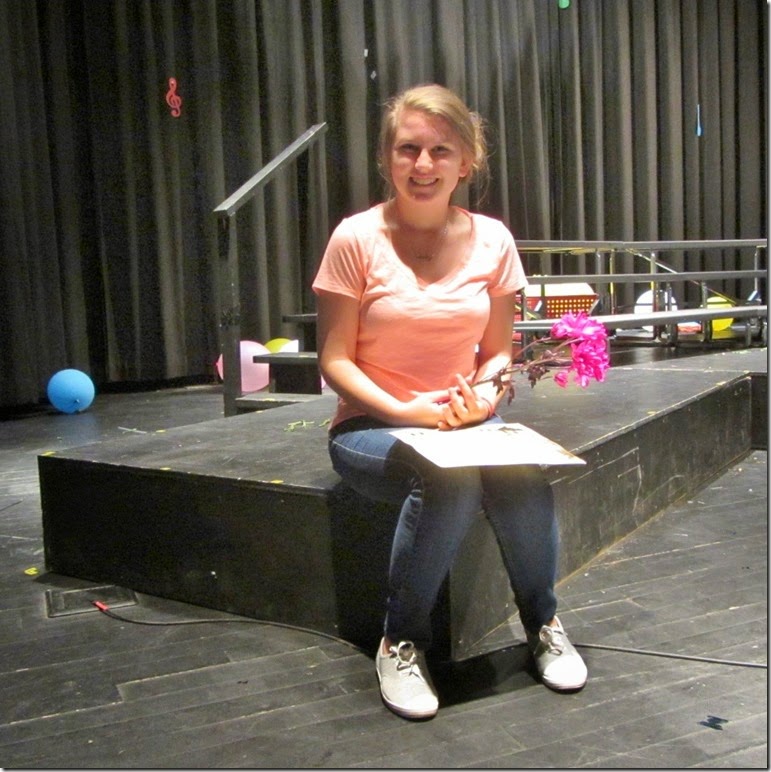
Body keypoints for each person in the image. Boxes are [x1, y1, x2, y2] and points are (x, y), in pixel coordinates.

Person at [311, 83, 587, 720]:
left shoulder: (493, 240)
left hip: (464, 421)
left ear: (467, 161)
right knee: (450, 481)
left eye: (440, 150)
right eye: (408, 149)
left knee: (522, 476)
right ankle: (400, 641)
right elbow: (335, 361)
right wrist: (410, 413)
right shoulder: (355, 239)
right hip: (372, 425)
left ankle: (544, 624)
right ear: (387, 159)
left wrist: (482, 400)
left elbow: (497, 353)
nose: (423, 164)